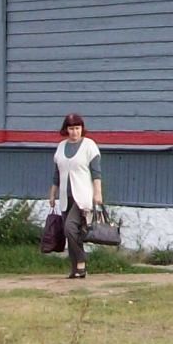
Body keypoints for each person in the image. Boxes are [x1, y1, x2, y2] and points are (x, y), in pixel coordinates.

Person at [49, 113, 104, 280]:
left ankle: (81, 261)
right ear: (66, 129)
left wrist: (98, 193)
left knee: (70, 228)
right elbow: (57, 174)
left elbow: (96, 172)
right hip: (66, 196)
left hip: (83, 196)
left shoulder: (89, 146)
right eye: (71, 128)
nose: (74, 132)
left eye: (77, 128)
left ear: (82, 129)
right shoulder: (61, 147)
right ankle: (76, 270)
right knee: (72, 233)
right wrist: (53, 193)